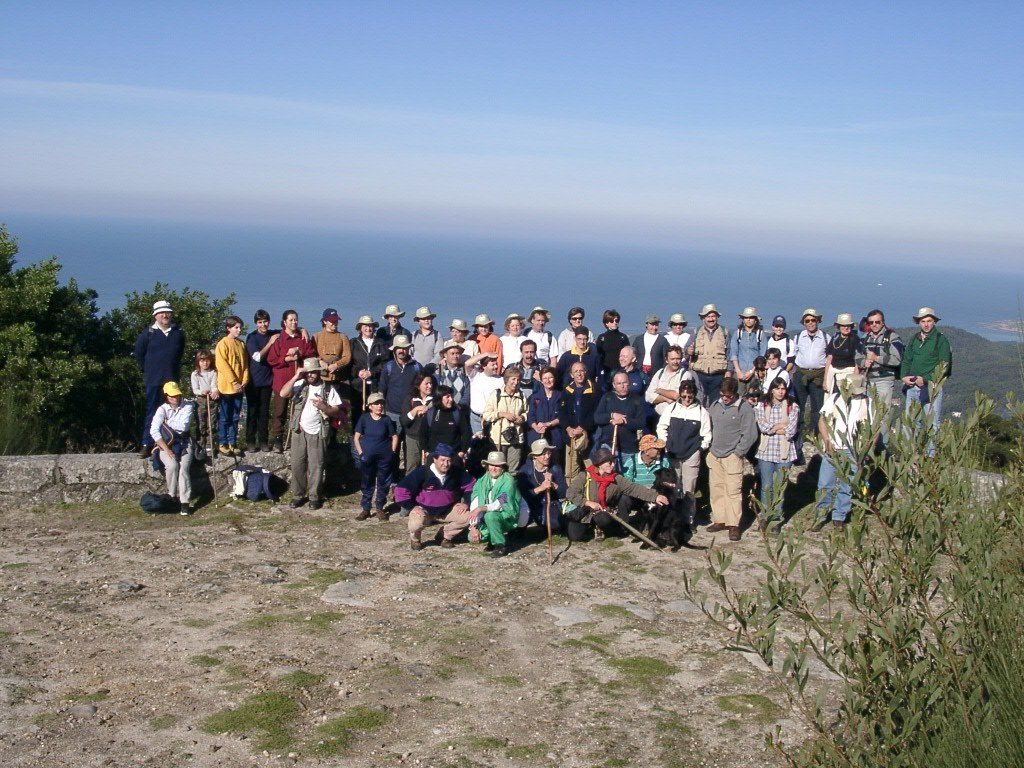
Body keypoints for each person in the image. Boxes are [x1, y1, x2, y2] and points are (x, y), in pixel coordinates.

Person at [565, 448, 668, 542]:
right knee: (575, 537)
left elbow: (633, 488)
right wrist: (588, 503)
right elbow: (571, 493)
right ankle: (587, 526)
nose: (613, 465)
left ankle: (599, 527)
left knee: (604, 519)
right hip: (583, 511)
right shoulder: (585, 475)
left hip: (602, 512)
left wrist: (655, 496)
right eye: (609, 463)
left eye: (613, 462)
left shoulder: (616, 478)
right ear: (599, 464)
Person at [814, 374, 875, 529]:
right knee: (824, 483)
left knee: (847, 484)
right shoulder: (835, 399)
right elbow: (823, 420)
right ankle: (820, 515)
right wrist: (827, 440)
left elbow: (875, 429)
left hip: (855, 449)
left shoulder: (868, 403)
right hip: (834, 446)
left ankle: (839, 515)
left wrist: (867, 449)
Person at [280, 357, 342, 510]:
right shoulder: (299, 385)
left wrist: (324, 406)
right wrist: (295, 376)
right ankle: (298, 495)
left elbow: (336, 411)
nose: (310, 375)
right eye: (308, 372)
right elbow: (283, 393)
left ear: (318, 372)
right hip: (299, 430)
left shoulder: (328, 389)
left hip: (318, 431)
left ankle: (314, 496)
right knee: (297, 464)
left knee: (317, 465)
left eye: (313, 372)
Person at [705, 378, 758, 541]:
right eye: (722, 395)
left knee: (733, 491)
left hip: (732, 456)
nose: (725, 398)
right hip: (715, 454)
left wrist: (738, 452)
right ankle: (720, 520)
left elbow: (750, 434)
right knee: (716, 489)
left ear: (735, 394)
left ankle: (734, 525)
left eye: (728, 395)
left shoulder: (745, 409)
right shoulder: (715, 405)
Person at [398, 444, 477, 550]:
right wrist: (412, 507)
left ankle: (444, 536)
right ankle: (415, 540)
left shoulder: (456, 472)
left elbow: (471, 485)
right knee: (415, 523)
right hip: (424, 510)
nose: (446, 464)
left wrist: (466, 502)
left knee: (468, 517)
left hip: (448, 510)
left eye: (449, 460)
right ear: (435, 459)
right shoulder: (422, 472)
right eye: (442, 460)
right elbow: (400, 490)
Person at [133, 300, 186, 456]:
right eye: (162, 312)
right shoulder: (147, 334)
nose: (165, 315)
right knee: (152, 412)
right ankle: (146, 443)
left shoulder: (178, 333)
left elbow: (179, 354)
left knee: (172, 413)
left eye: (167, 312)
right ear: (155, 315)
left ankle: (169, 442)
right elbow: (139, 355)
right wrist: (149, 370)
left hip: (171, 381)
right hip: (154, 380)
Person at [900, 307, 952, 452]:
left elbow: (944, 366)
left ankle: (930, 457)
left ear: (934, 322)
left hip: (932, 387)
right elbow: (906, 359)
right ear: (919, 323)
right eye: (923, 321)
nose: (926, 324)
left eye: (929, 321)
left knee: (932, 424)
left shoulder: (941, 340)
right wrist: (904, 376)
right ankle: (911, 455)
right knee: (910, 423)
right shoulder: (914, 339)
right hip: (912, 387)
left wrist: (927, 379)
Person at [266, 309, 317, 453]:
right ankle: (277, 439)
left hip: (299, 381)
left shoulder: (302, 338)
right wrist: (286, 359)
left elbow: (310, 353)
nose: (294, 323)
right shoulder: (279, 339)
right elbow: (272, 360)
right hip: (282, 381)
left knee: (298, 411)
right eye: (291, 320)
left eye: (296, 320)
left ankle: (296, 439)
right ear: (284, 322)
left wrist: (299, 353)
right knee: (280, 411)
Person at [755, 378, 800, 526]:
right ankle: (766, 514)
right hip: (766, 450)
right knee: (766, 486)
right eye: (778, 388)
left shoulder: (792, 406)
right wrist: (780, 426)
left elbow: (791, 431)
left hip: (784, 451)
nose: (780, 392)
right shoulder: (763, 404)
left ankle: (776, 519)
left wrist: (773, 428)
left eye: (783, 389)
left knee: (779, 487)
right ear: (772, 390)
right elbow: (763, 427)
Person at [656, 379, 711, 497]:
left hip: (691, 455)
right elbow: (661, 427)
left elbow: (707, 435)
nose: (686, 399)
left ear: (695, 395)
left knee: (689, 491)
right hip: (672, 454)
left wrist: (699, 450)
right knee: (672, 488)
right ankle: (674, 514)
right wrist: (665, 444)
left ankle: (689, 515)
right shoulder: (671, 409)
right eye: (684, 396)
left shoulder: (702, 412)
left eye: (690, 397)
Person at [790, 308, 831, 461]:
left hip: (819, 376)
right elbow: (793, 356)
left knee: (818, 409)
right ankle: (798, 441)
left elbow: (829, 359)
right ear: (804, 323)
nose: (810, 323)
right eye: (807, 320)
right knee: (798, 409)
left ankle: (815, 438)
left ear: (818, 321)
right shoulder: (798, 337)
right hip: (801, 375)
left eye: (813, 320)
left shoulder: (826, 338)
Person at [378, 334, 423, 471]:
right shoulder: (389, 367)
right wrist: (382, 412)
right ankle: (392, 480)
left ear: (409, 349)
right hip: (392, 414)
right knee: (393, 449)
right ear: (394, 350)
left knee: (412, 449)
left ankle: (410, 481)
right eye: (399, 348)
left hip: (412, 414)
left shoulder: (417, 367)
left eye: (405, 348)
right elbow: (382, 390)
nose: (402, 351)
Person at [150, 381, 196, 515]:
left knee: (184, 468)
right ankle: (171, 495)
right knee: (172, 465)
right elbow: (154, 431)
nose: (175, 398)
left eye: (177, 395)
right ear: (167, 396)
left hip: (184, 443)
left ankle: (185, 502)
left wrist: (166, 423)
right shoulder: (162, 409)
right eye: (172, 396)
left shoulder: (187, 406)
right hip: (166, 444)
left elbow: (184, 426)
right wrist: (166, 449)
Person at [353, 392, 399, 520]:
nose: (379, 406)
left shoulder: (386, 420)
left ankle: (380, 508)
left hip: (384, 457)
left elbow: (394, 436)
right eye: (376, 404)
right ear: (370, 406)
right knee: (367, 482)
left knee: (384, 482)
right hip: (367, 457)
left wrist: (392, 452)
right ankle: (366, 508)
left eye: (381, 403)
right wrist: (361, 453)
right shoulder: (364, 418)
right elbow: (356, 437)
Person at [469, 451, 524, 557]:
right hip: (486, 515)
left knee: (491, 516)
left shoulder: (509, 481)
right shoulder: (481, 481)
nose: (494, 468)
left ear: (503, 467)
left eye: (497, 466)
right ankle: (492, 538)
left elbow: (500, 502)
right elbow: (475, 501)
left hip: (507, 516)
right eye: (491, 465)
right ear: (487, 466)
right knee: (472, 537)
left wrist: (482, 508)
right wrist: (473, 526)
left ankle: (499, 545)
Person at [594, 371, 646, 470]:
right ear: (614, 385)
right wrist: (612, 416)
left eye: (625, 382)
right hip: (608, 446)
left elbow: (641, 422)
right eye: (619, 383)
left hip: (629, 449)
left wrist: (624, 420)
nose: (622, 386)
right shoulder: (607, 397)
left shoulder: (637, 400)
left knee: (627, 479)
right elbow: (597, 417)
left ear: (629, 383)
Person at [214, 315, 249, 456]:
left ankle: (232, 442)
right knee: (224, 417)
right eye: (236, 327)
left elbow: (245, 365)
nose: (239, 330)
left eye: (240, 327)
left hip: (239, 388)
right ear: (228, 328)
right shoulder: (222, 344)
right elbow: (222, 365)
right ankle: (222, 442)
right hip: (226, 388)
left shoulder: (241, 344)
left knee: (235, 417)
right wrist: (234, 382)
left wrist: (244, 381)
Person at [617, 434, 671, 524]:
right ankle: (624, 526)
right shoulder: (631, 462)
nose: (659, 451)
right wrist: (643, 489)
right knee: (624, 499)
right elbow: (626, 483)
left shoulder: (664, 462)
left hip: (656, 495)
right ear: (647, 451)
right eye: (656, 448)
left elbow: (668, 480)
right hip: (637, 495)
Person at [483, 367, 528, 472]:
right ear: (506, 380)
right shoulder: (496, 395)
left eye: (518, 380)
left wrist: (522, 418)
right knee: (498, 469)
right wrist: (502, 414)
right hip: (498, 439)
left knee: (513, 470)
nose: (516, 382)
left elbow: (526, 413)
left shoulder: (522, 395)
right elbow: (486, 415)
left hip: (516, 439)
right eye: (513, 379)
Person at [516, 438, 567, 531]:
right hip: (529, 505)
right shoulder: (525, 471)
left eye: (549, 453)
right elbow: (522, 495)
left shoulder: (555, 468)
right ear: (535, 456)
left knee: (556, 525)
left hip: (548, 504)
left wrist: (553, 485)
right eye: (543, 454)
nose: (547, 456)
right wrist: (541, 488)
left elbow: (564, 493)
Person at [244, 309, 277, 452]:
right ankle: (250, 441)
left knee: (264, 413)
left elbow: (289, 330)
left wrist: (303, 330)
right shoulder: (252, 337)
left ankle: (263, 441)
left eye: (265, 321)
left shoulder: (273, 333)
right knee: (252, 412)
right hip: (253, 381)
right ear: (256, 324)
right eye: (260, 322)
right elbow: (257, 357)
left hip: (267, 381)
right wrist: (270, 343)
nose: (263, 325)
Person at [861, 309, 904, 411]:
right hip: (868, 381)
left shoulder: (892, 337)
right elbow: (858, 356)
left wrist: (876, 358)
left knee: (882, 413)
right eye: (871, 322)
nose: (874, 325)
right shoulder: (865, 338)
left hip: (884, 380)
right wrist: (864, 362)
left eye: (877, 322)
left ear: (883, 322)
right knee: (868, 414)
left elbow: (897, 359)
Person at [687, 304, 730, 407]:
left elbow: (730, 354)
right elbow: (686, 350)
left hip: (718, 375)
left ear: (717, 317)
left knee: (716, 404)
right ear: (703, 318)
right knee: (698, 402)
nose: (711, 319)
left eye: (713, 316)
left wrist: (729, 372)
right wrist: (688, 351)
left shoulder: (725, 332)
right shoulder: (696, 332)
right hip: (699, 374)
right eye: (708, 316)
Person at [563, 361, 598, 484]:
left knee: (592, 469)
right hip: (571, 436)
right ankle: (573, 497)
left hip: (588, 436)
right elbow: (562, 412)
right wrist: (568, 429)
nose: (579, 374)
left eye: (581, 370)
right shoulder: (567, 390)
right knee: (571, 471)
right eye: (576, 371)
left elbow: (595, 413)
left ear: (586, 372)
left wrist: (583, 428)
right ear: (571, 375)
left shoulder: (594, 390)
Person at [349, 315, 389, 416]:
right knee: (357, 415)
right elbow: (349, 363)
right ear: (360, 328)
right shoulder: (353, 343)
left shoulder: (381, 343)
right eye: (365, 326)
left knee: (375, 415)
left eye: (370, 326)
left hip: (375, 385)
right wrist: (358, 372)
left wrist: (371, 372)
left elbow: (385, 363)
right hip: (358, 387)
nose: (368, 328)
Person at [645, 345, 695, 422]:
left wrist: (659, 390)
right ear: (666, 360)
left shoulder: (685, 375)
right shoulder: (659, 373)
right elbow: (649, 396)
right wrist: (666, 398)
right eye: (672, 359)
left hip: (676, 418)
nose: (675, 362)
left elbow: (677, 395)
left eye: (678, 359)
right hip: (657, 416)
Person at [526, 367, 565, 459]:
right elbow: (531, 416)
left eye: (550, 377)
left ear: (554, 378)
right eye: (545, 378)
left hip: (555, 435)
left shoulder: (561, 396)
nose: (548, 381)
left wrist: (548, 424)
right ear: (541, 380)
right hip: (537, 435)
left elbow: (562, 416)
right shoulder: (535, 397)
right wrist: (536, 427)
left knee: (554, 461)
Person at [425, 385, 471, 461]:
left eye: (451, 396)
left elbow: (466, 432)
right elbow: (423, 433)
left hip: (453, 456)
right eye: (447, 397)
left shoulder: (457, 413)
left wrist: (462, 451)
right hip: (435, 457)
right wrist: (426, 451)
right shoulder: (431, 413)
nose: (451, 399)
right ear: (440, 398)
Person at [314, 308, 352, 398]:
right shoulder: (316, 337)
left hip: (337, 378)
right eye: (332, 321)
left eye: (336, 321)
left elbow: (347, 356)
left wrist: (337, 365)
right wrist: (320, 361)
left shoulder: (343, 337)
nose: (334, 323)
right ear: (325, 321)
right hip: (320, 378)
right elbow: (312, 353)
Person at [400, 372, 434, 473]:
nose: (429, 386)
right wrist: (415, 410)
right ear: (418, 385)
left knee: (431, 468)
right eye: (426, 383)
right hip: (413, 439)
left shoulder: (435, 400)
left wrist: (428, 408)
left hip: (430, 439)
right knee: (412, 467)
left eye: (431, 383)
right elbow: (403, 421)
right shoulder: (410, 400)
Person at [824, 313, 863, 393]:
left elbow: (857, 360)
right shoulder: (835, 337)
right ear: (839, 327)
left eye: (848, 325)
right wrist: (825, 380)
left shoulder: (854, 339)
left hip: (848, 373)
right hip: (833, 373)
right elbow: (829, 358)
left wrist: (854, 379)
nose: (846, 327)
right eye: (843, 325)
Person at [729, 307, 768, 385]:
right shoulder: (737, 333)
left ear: (755, 320)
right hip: (739, 373)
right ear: (743, 319)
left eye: (751, 317)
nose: (748, 319)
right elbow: (733, 354)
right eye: (746, 317)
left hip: (755, 374)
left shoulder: (760, 334)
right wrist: (738, 371)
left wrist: (751, 371)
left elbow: (762, 356)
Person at [190, 349, 218, 456]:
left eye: (207, 360)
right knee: (201, 422)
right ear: (198, 362)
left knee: (212, 423)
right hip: (200, 400)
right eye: (202, 361)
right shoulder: (195, 374)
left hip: (211, 399)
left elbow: (214, 385)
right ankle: (200, 445)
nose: (205, 363)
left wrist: (214, 391)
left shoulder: (213, 372)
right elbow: (195, 389)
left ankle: (210, 446)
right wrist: (202, 391)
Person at [595, 309, 631, 386]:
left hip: (621, 371)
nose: (615, 323)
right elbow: (598, 356)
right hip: (606, 372)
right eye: (612, 321)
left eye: (616, 320)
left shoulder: (623, 337)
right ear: (606, 323)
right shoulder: (602, 338)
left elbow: (628, 354)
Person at [434, 339, 472, 409]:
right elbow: (436, 391)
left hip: (461, 410)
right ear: (445, 355)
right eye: (452, 354)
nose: (455, 356)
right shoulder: (438, 371)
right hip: (443, 410)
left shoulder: (464, 371)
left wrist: (459, 407)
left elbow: (467, 394)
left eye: (457, 353)